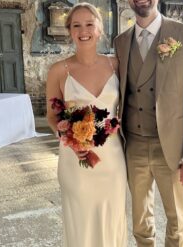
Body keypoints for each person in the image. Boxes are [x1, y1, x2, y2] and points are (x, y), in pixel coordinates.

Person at [114, 0, 183, 246]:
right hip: (133, 144)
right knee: (140, 219)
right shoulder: (121, 42)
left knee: (176, 218)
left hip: (172, 146)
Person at [46, 3, 127, 247]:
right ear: (70, 31)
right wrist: (68, 140)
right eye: (77, 25)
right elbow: (52, 116)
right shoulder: (59, 70)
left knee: (112, 218)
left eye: (90, 24)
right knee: (81, 223)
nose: (84, 31)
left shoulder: (116, 65)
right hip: (76, 160)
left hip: (112, 160)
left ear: (100, 29)